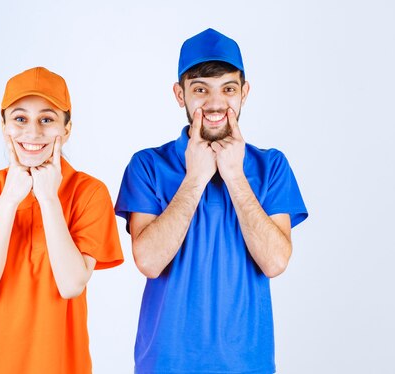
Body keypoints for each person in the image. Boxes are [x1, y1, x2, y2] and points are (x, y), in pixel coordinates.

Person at [115, 28, 308, 373]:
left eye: (228, 89)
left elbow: (275, 262)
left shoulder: (271, 166)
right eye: (201, 89)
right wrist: (195, 177)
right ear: (180, 94)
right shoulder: (147, 165)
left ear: (244, 93)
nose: (216, 103)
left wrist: (234, 175)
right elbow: (148, 261)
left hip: (247, 365)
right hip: (165, 364)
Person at [0, 66, 124, 374]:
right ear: (4, 126)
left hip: (61, 364)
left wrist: (48, 198)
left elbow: (72, 283)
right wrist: (9, 199)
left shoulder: (89, 192)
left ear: (67, 129)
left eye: (47, 119)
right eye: (20, 119)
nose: (33, 132)